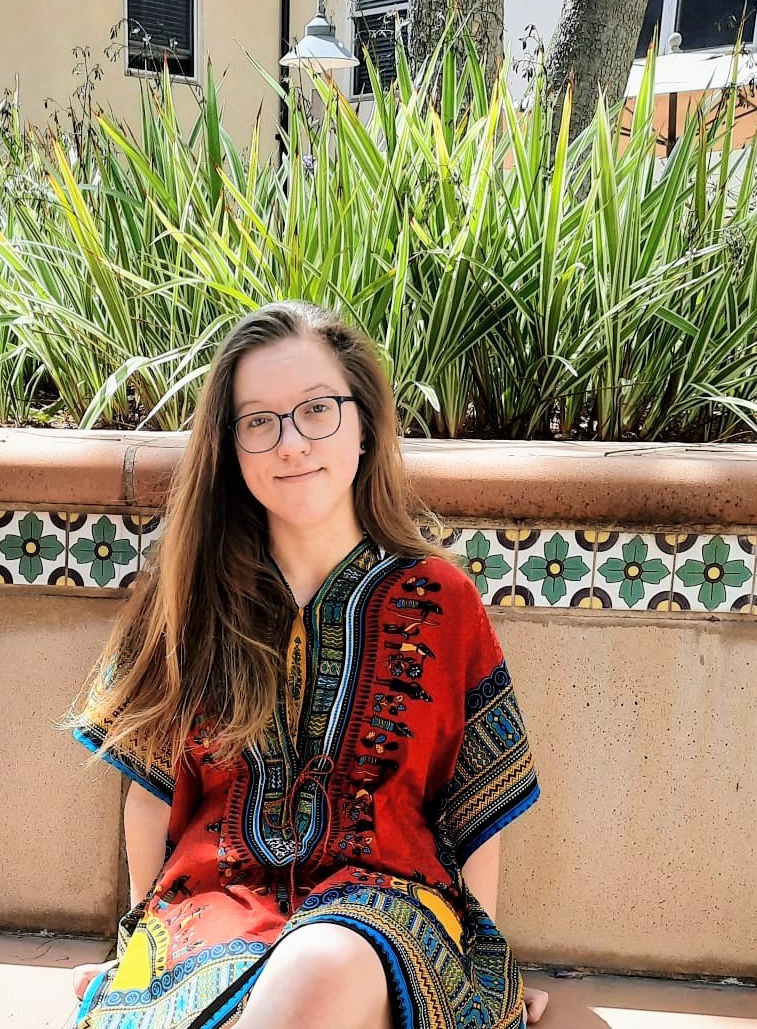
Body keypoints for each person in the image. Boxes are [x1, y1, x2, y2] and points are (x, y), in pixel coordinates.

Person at [62, 301, 548, 1029]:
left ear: (364, 422)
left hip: (386, 914)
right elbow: (150, 793)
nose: (291, 443)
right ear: (230, 447)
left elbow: (477, 808)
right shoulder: (187, 596)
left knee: (319, 963)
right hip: (210, 917)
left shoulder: (442, 600)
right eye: (259, 420)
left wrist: (478, 970)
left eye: (317, 409)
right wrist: (134, 935)